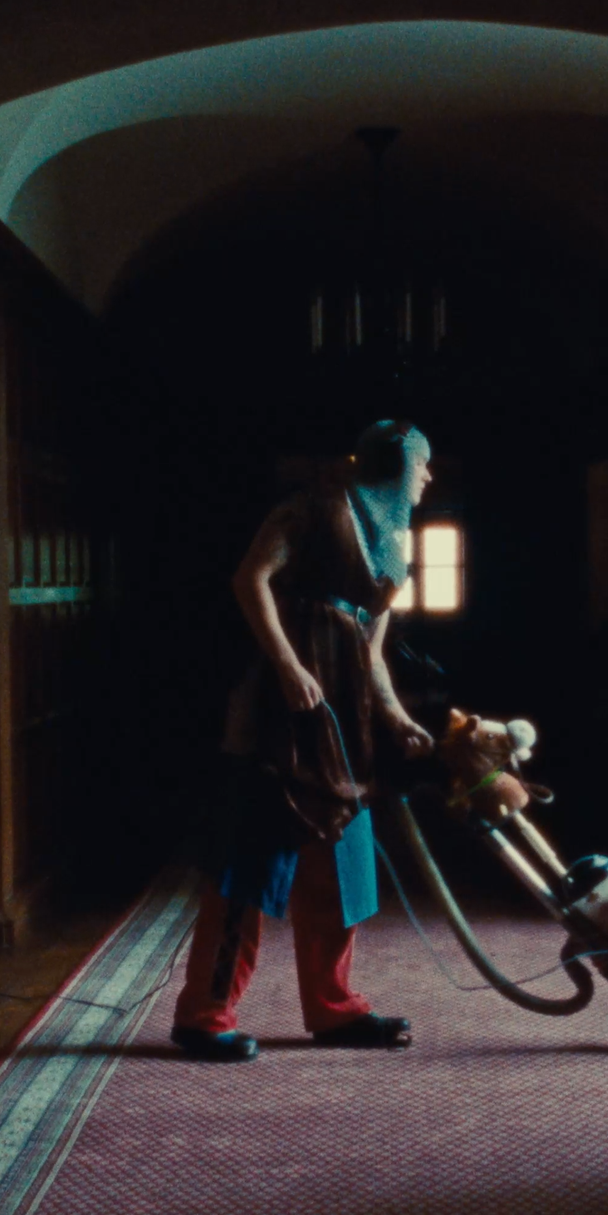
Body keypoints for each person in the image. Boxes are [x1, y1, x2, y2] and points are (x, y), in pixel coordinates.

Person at [168, 420, 439, 1061]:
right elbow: (250, 579)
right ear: (397, 465)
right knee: (249, 866)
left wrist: (394, 714)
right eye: (422, 464)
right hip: (277, 714)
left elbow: (371, 646)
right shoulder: (311, 509)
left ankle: (335, 1009)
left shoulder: (392, 546)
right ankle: (205, 1015)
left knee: (343, 870)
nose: (428, 476)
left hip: (346, 722)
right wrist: (289, 667)